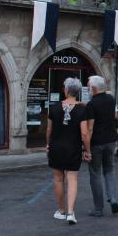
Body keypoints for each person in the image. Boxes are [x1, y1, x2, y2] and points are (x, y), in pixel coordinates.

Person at [46, 77, 91, 225]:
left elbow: (49, 130)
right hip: (73, 148)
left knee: (58, 179)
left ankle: (61, 210)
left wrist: (47, 144)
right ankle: (71, 212)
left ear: (66, 90)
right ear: (77, 92)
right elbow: (84, 134)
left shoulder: (53, 108)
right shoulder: (82, 109)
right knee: (72, 180)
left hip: (56, 147)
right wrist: (87, 149)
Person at [86, 75, 118, 217]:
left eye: (88, 86)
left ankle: (98, 208)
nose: (87, 88)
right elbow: (114, 117)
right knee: (109, 170)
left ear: (93, 88)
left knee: (95, 174)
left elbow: (90, 128)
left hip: (96, 142)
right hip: (110, 140)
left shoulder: (91, 104)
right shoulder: (111, 100)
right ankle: (112, 198)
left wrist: (86, 148)